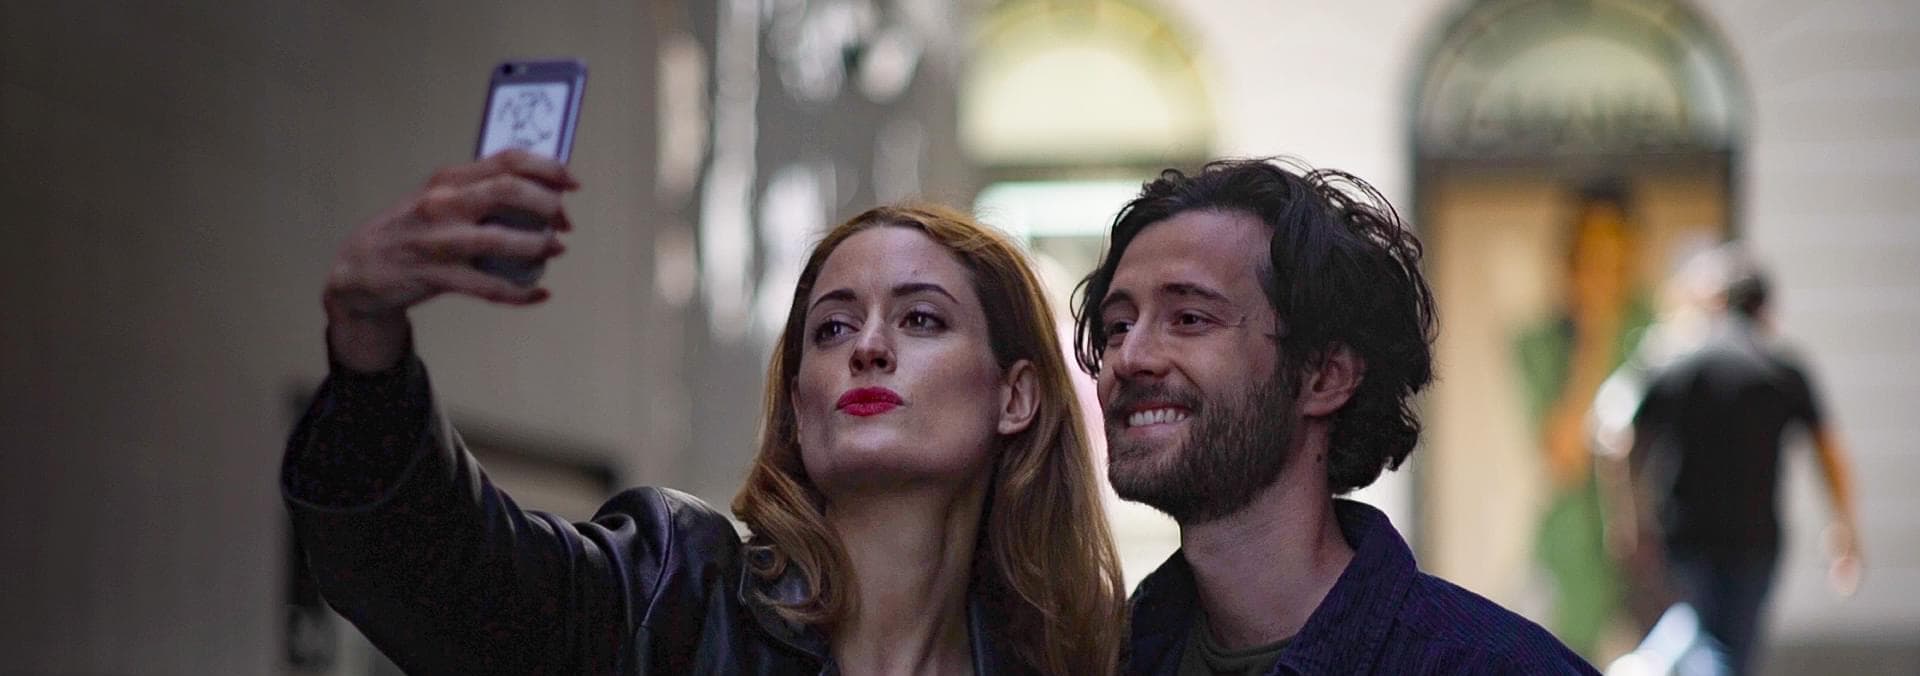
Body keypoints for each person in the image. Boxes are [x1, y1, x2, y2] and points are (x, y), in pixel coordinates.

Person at [283, 150, 1127, 674]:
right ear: (799, 403)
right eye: (832, 329)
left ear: (1015, 396)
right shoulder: (673, 599)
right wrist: (366, 339)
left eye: (921, 320)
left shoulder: (1076, 664)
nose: (868, 348)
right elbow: (442, 575)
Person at [1072, 159, 1597, 674]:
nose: (1130, 357)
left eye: (1189, 318)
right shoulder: (1099, 657)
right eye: (1118, 326)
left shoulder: (1491, 666)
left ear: (1325, 376)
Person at [1608, 245, 1863, 675]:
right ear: (1765, 309)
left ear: (1716, 303)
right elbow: (1829, 451)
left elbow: (1619, 437)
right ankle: (1651, 663)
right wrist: (1844, 528)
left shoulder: (1677, 362)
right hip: (1756, 539)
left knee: (1703, 635)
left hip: (1685, 535)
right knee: (1728, 647)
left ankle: (1650, 662)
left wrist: (1630, 521)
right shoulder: (1782, 369)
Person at [1511, 180, 1653, 658]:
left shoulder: (1661, 335)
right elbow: (1564, 457)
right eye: (1593, 254)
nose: (1605, 270)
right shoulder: (1542, 343)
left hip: (1648, 560)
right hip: (1572, 560)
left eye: (1616, 252)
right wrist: (1596, 332)